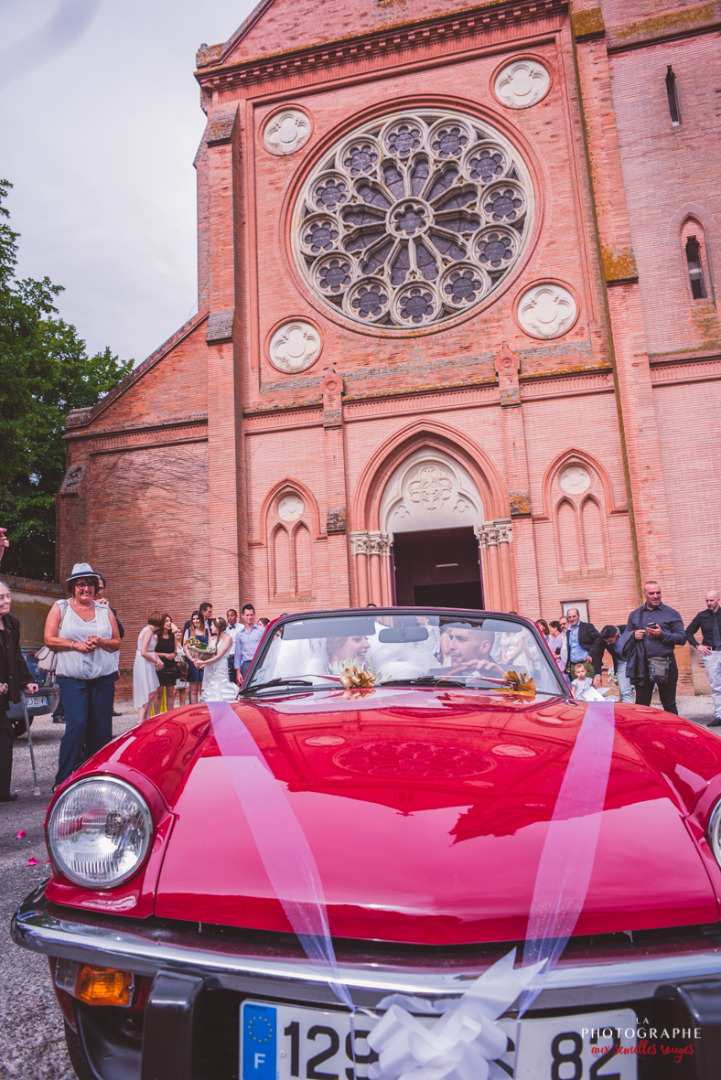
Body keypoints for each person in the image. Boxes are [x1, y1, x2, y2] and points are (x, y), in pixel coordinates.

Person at [44, 563, 121, 789]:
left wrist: (102, 641)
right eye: (81, 584)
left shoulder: (104, 610)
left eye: (90, 584)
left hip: (103, 678)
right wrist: (75, 645)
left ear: (95, 587)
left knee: (101, 729)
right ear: (73, 586)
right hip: (72, 678)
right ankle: (63, 779)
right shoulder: (61, 607)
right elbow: (49, 639)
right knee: (77, 723)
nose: (86, 588)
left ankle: (95, 776)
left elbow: (116, 642)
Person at [621, 580, 686, 714]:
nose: (656, 596)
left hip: (665, 663)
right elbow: (625, 637)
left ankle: (672, 728)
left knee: (669, 704)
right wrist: (633, 635)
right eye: (652, 593)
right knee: (642, 705)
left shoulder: (671, 613)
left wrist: (661, 634)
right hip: (642, 665)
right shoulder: (635, 614)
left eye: (658, 592)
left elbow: (681, 638)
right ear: (644, 594)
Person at [0, 580, 39, 802]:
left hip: (2, 693)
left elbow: (16, 656)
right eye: (0, 598)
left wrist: (26, 680)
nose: (6, 601)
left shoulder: (12, 624)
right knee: (5, 732)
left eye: (8, 596)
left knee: (5, 734)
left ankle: (2, 791)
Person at [685, 590, 721, 727]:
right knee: (716, 686)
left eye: (711, 600)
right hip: (711, 654)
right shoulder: (702, 616)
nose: (709, 603)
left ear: (718, 599)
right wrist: (697, 646)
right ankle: (719, 715)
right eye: (707, 600)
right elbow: (688, 632)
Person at [96, 574, 124, 717]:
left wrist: (107, 611)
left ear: (104, 590)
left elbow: (119, 634)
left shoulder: (109, 610)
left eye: (99, 588)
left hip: (105, 662)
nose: (96, 591)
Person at [133, 611, 165, 723]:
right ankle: (141, 721)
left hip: (148, 663)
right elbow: (143, 652)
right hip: (145, 663)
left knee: (152, 693)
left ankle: (146, 720)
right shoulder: (148, 632)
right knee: (147, 693)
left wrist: (158, 659)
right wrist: (156, 662)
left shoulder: (149, 631)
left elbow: (151, 650)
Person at [198, 618, 239, 703]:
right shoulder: (212, 638)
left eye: (212, 625)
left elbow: (219, 655)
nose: (211, 627)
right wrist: (200, 660)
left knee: (221, 690)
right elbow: (208, 653)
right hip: (209, 668)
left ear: (217, 627)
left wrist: (203, 662)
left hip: (220, 667)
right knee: (208, 692)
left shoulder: (227, 638)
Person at [595, 624, 633, 703]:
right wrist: (597, 674)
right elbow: (598, 655)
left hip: (635, 660)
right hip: (621, 662)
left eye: (610, 641)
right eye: (606, 642)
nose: (608, 644)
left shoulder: (627, 629)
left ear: (616, 634)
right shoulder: (602, 638)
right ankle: (628, 708)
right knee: (625, 691)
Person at [563, 608, 601, 679]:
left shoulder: (587, 627)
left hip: (585, 664)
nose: (572, 619)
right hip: (573, 666)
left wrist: (591, 654)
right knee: (575, 686)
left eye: (574, 616)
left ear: (578, 616)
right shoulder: (568, 631)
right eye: (569, 617)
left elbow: (599, 639)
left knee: (589, 686)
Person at [155, 614, 180, 711]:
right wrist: (165, 655)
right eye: (166, 621)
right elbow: (152, 652)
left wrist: (174, 654)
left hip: (171, 666)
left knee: (170, 694)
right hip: (160, 666)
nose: (169, 623)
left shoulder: (173, 636)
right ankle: (157, 716)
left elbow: (175, 650)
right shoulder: (156, 637)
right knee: (159, 694)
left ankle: (170, 714)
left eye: (170, 621)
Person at [183, 609, 207, 704]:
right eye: (193, 619)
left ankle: (204, 707)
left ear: (201, 619)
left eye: (197, 619)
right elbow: (185, 648)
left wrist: (203, 661)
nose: (195, 621)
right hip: (192, 662)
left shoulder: (207, 632)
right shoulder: (188, 631)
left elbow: (209, 647)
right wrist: (193, 660)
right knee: (193, 690)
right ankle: (194, 708)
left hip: (203, 662)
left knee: (203, 689)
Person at [234, 603, 263, 683]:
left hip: (260, 663)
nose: (249, 617)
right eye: (247, 615)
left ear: (254, 615)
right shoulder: (239, 634)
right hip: (246, 665)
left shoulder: (261, 631)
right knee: (248, 687)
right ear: (242, 615)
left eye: (251, 615)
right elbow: (238, 653)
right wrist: (238, 672)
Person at [225, 608, 241, 682]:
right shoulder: (226, 630)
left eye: (232, 615)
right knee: (231, 681)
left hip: (239, 657)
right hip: (229, 658)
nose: (230, 618)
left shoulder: (242, 628)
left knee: (241, 680)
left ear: (236, 616)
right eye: (228, 616)